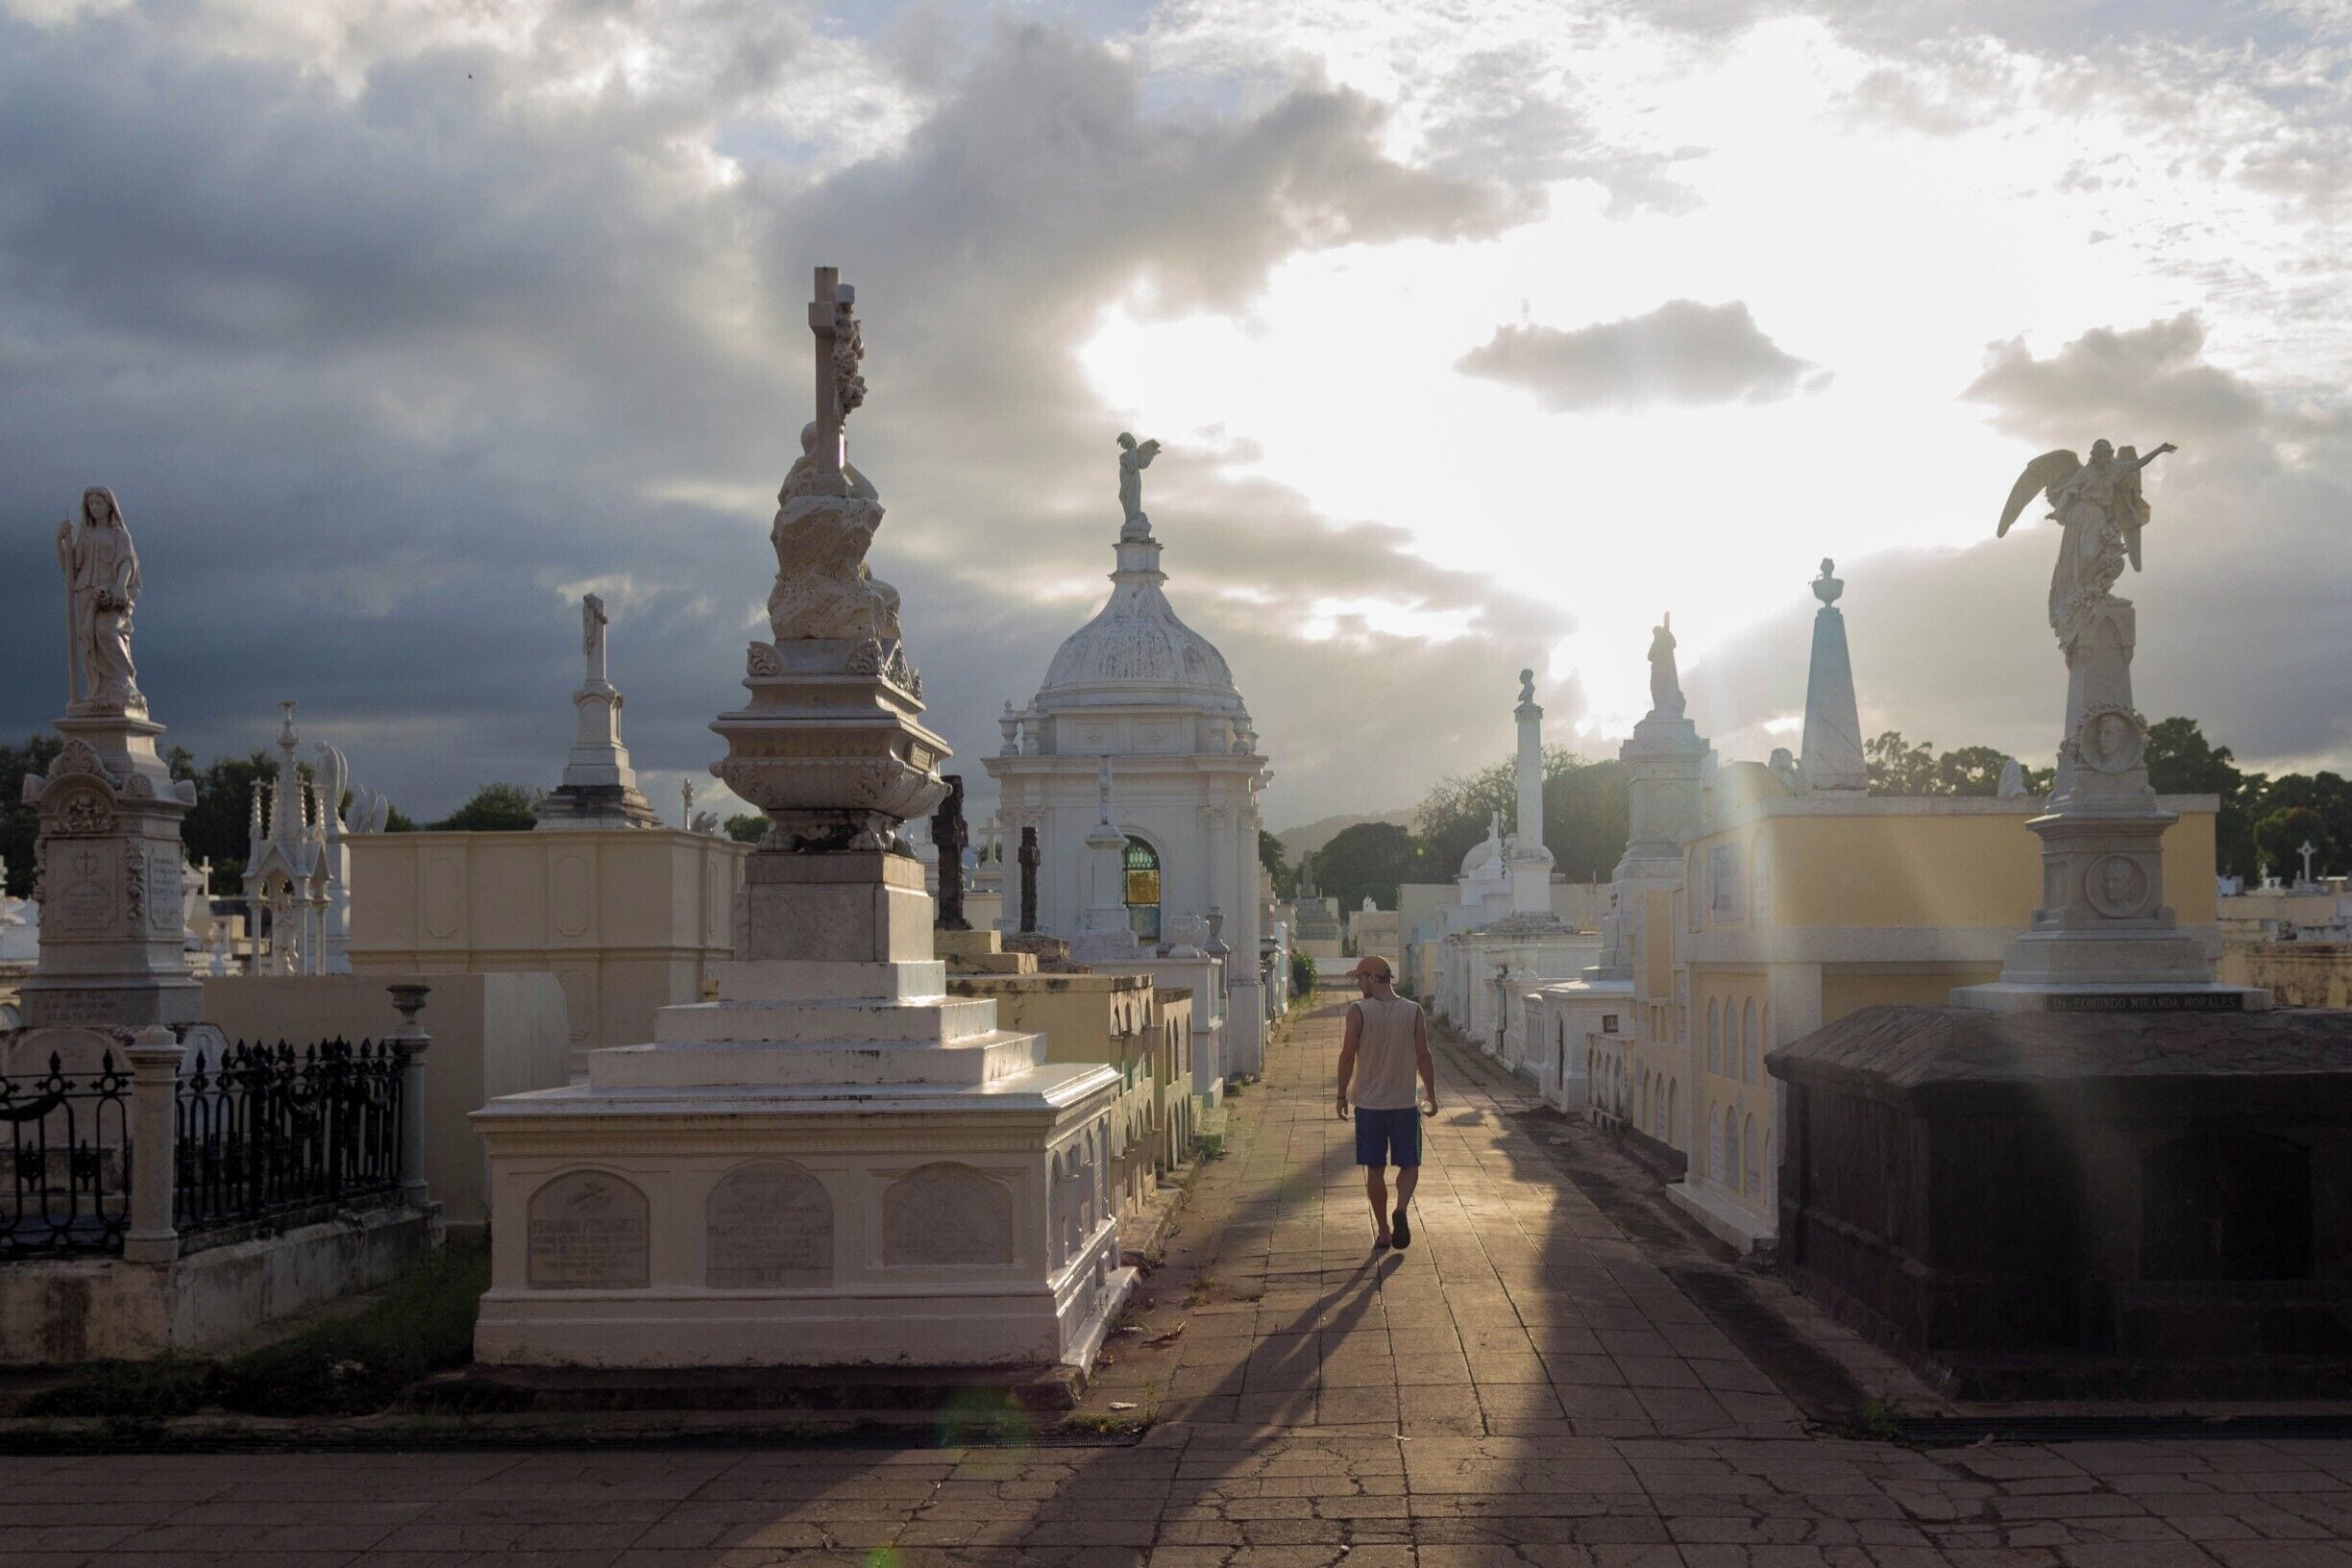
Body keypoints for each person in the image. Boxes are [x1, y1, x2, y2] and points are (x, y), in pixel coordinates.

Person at [1335, 954, 1438, 1250]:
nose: (1357, 983)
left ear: (1371, 978)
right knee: (1409, 1164)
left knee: (1375, 1169)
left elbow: (1346, 1056)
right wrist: (1430, 1094)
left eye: (1360, 978)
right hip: (1405, 1102)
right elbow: (1424, 1056)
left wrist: (1342, 1095)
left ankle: (1383, 1231)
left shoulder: (1358, 1012)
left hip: (1369, 1105)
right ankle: (1402, 1208)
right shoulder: (1414, 1011)